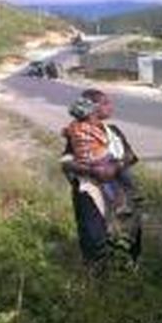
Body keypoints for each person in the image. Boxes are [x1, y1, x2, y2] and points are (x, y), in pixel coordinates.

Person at [62, 89, 141, 272]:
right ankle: (96, 275)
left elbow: (130, 156)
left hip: (117, 191)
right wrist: (92, 170)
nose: (110, 106)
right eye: (105, 103)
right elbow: (65, 162)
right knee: (93, 234)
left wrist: (114, 167)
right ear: (93, 109)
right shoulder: (78, 133)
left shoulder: (113, 132)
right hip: (90, 193)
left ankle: (126, 270)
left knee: (125, 231)